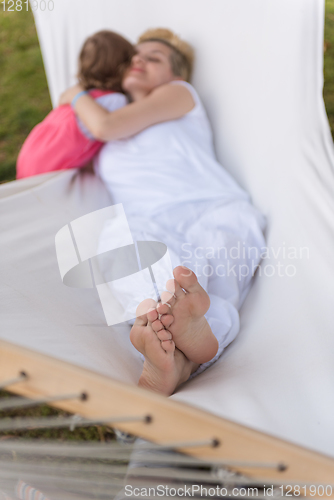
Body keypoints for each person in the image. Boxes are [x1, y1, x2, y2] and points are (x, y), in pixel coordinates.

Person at [59, 28, 266, 396]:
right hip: (146, 218)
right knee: (124, 245)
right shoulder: (105, 107)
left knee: (206, 275)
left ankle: (174, 329)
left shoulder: (178, 94)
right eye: (133, 57)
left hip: (211, 208)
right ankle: (180, 354)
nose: (139, 60)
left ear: (176, 74)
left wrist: (76, 93)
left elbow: (106, 128)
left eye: (153, 58)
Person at [16, 30, 135, 179]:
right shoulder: (114, 101)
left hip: (31, 158)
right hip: (49, 172)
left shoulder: (80, 96)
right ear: (125, 64)